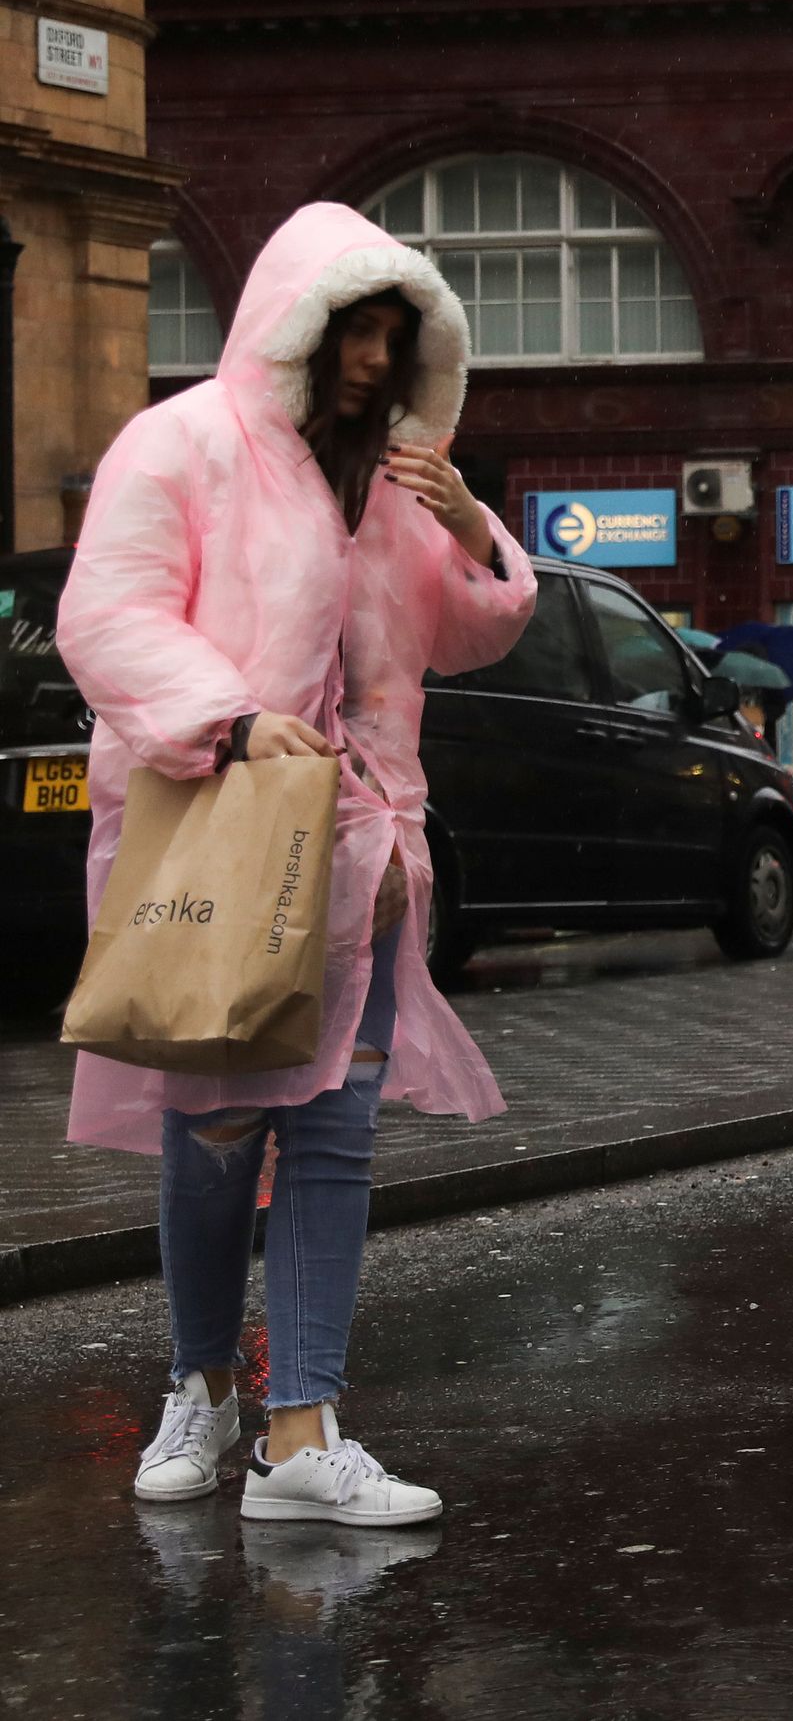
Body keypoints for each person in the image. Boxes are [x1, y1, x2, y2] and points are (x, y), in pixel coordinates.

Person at [65, 202, 533, 1523]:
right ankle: (202, 1387)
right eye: (353, 329)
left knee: (332, 1137)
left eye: (395, 335)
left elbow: (475, 633)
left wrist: (472, 523)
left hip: (364, 861)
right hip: (220, 837)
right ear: (293, 324)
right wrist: (225, 720)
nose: (375, 361)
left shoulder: (388, 486)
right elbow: (109, 610)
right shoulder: (183, 444)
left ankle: (301, 1428)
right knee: (212, 1133)